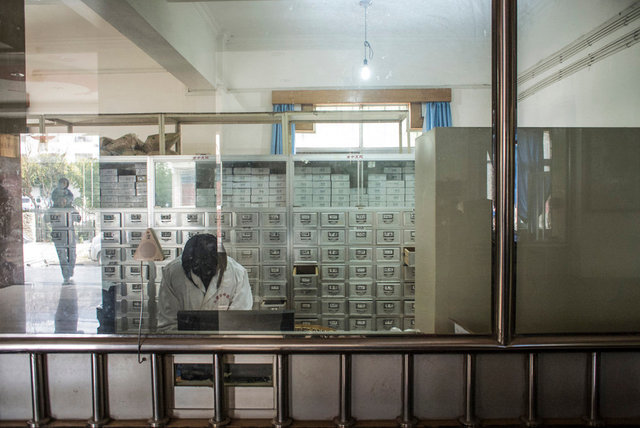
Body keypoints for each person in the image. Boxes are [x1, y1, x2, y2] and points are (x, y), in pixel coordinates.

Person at [158, 233, 253, 330]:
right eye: (197, 270)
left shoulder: (238, 273)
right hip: (185, 341)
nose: (204, 273)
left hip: (224, 341)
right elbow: (168, 323)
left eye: (208, 269)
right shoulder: (172, 272)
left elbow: (239, 321)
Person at [48, 192, 80, 284]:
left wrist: (74, 213)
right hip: (57, 234)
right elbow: (45, 219)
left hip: (69, 234)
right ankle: (66, 275)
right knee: (62, 256)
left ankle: (70, 271)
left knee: (72, 255)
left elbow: (78, 219)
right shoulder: (52, 209)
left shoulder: (70, 209)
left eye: (64, 199)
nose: (62, 201)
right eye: (59, 199)